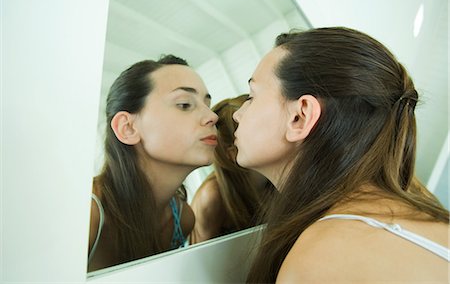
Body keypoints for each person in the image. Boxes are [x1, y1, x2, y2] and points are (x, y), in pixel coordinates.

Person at [232, 27, 450, 283]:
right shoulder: (418, 209)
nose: (237, 114)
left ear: (299, 117)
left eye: (251, 96)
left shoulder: (319, 261)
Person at [87, 55, 218, 272]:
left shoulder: (183, 219)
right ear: (127, 128)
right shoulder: (88, 212)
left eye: (208, 104)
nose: (212, 116)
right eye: (185, 104)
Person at [190, 94, 275, 244]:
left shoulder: (277, 176)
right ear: (233, 153)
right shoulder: (211, 197)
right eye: (258, 130)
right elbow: (199, 260)